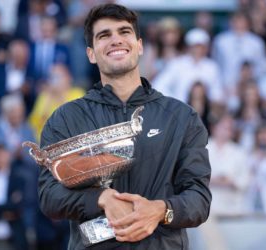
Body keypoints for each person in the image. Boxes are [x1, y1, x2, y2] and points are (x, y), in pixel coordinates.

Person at [38, 3, 211, 249]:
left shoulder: (181, 117)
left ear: (139, 45)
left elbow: (199, 198)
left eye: (124, 32)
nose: (116, 40)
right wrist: (100, 198)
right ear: (90, 53)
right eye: (104, 35)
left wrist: (161, 210)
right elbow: (49, 196)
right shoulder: (66, 118)